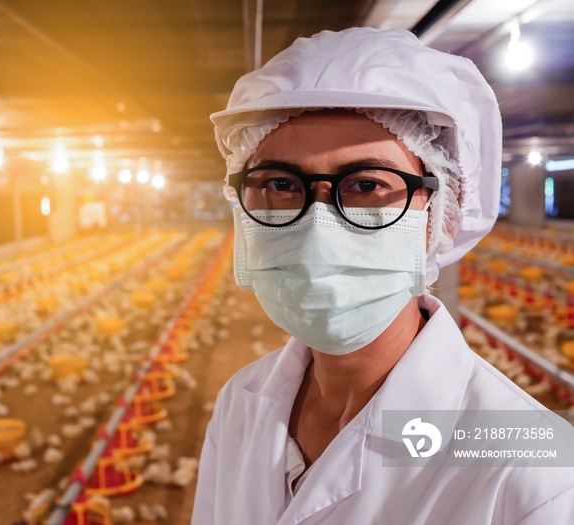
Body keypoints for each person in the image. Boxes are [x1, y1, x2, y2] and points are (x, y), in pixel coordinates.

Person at [192, 28, 574, 524]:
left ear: (444, 212)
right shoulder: (240, 403)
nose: (317, 229)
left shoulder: (536, 477)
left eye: (367, 184)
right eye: (282, 184)